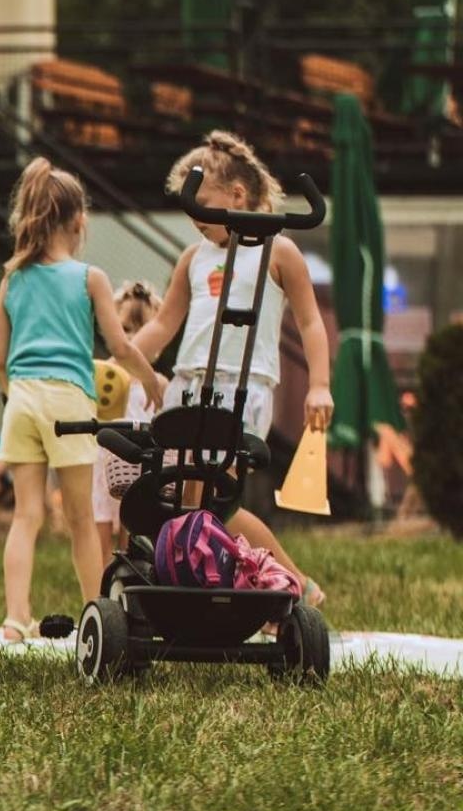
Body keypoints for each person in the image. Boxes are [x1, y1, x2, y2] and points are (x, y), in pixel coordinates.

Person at [132, 131, 331, 606]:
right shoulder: (193, 259)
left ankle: (293, 583)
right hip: (188, 386)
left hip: (243, 390)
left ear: (237, 197)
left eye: (201, 203)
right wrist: (123, 360)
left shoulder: (278, 252)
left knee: (217, 501)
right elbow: (163, 324)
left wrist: (319, 385)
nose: (195, 218)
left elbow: (310, 323)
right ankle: (210, 585)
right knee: (182, 499)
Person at [0, 158, 161, 643]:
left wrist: (17, 398)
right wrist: (149, 379)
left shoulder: (11, 280)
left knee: (26, 516)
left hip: (21, 399)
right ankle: (99, 614)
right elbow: (120, 348)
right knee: (81, 520)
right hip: (68, 401)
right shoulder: (89, 278)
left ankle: (14, 618)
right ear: (78, 221)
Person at [91, 281, 166, 562]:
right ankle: (98, 578)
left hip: (136, 463)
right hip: (102, 462)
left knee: (130, 521)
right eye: (124, 329)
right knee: (99, 521)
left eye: (141, 330)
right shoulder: (105, 377)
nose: (132, 338)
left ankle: (126, 570)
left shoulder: (157, 384)